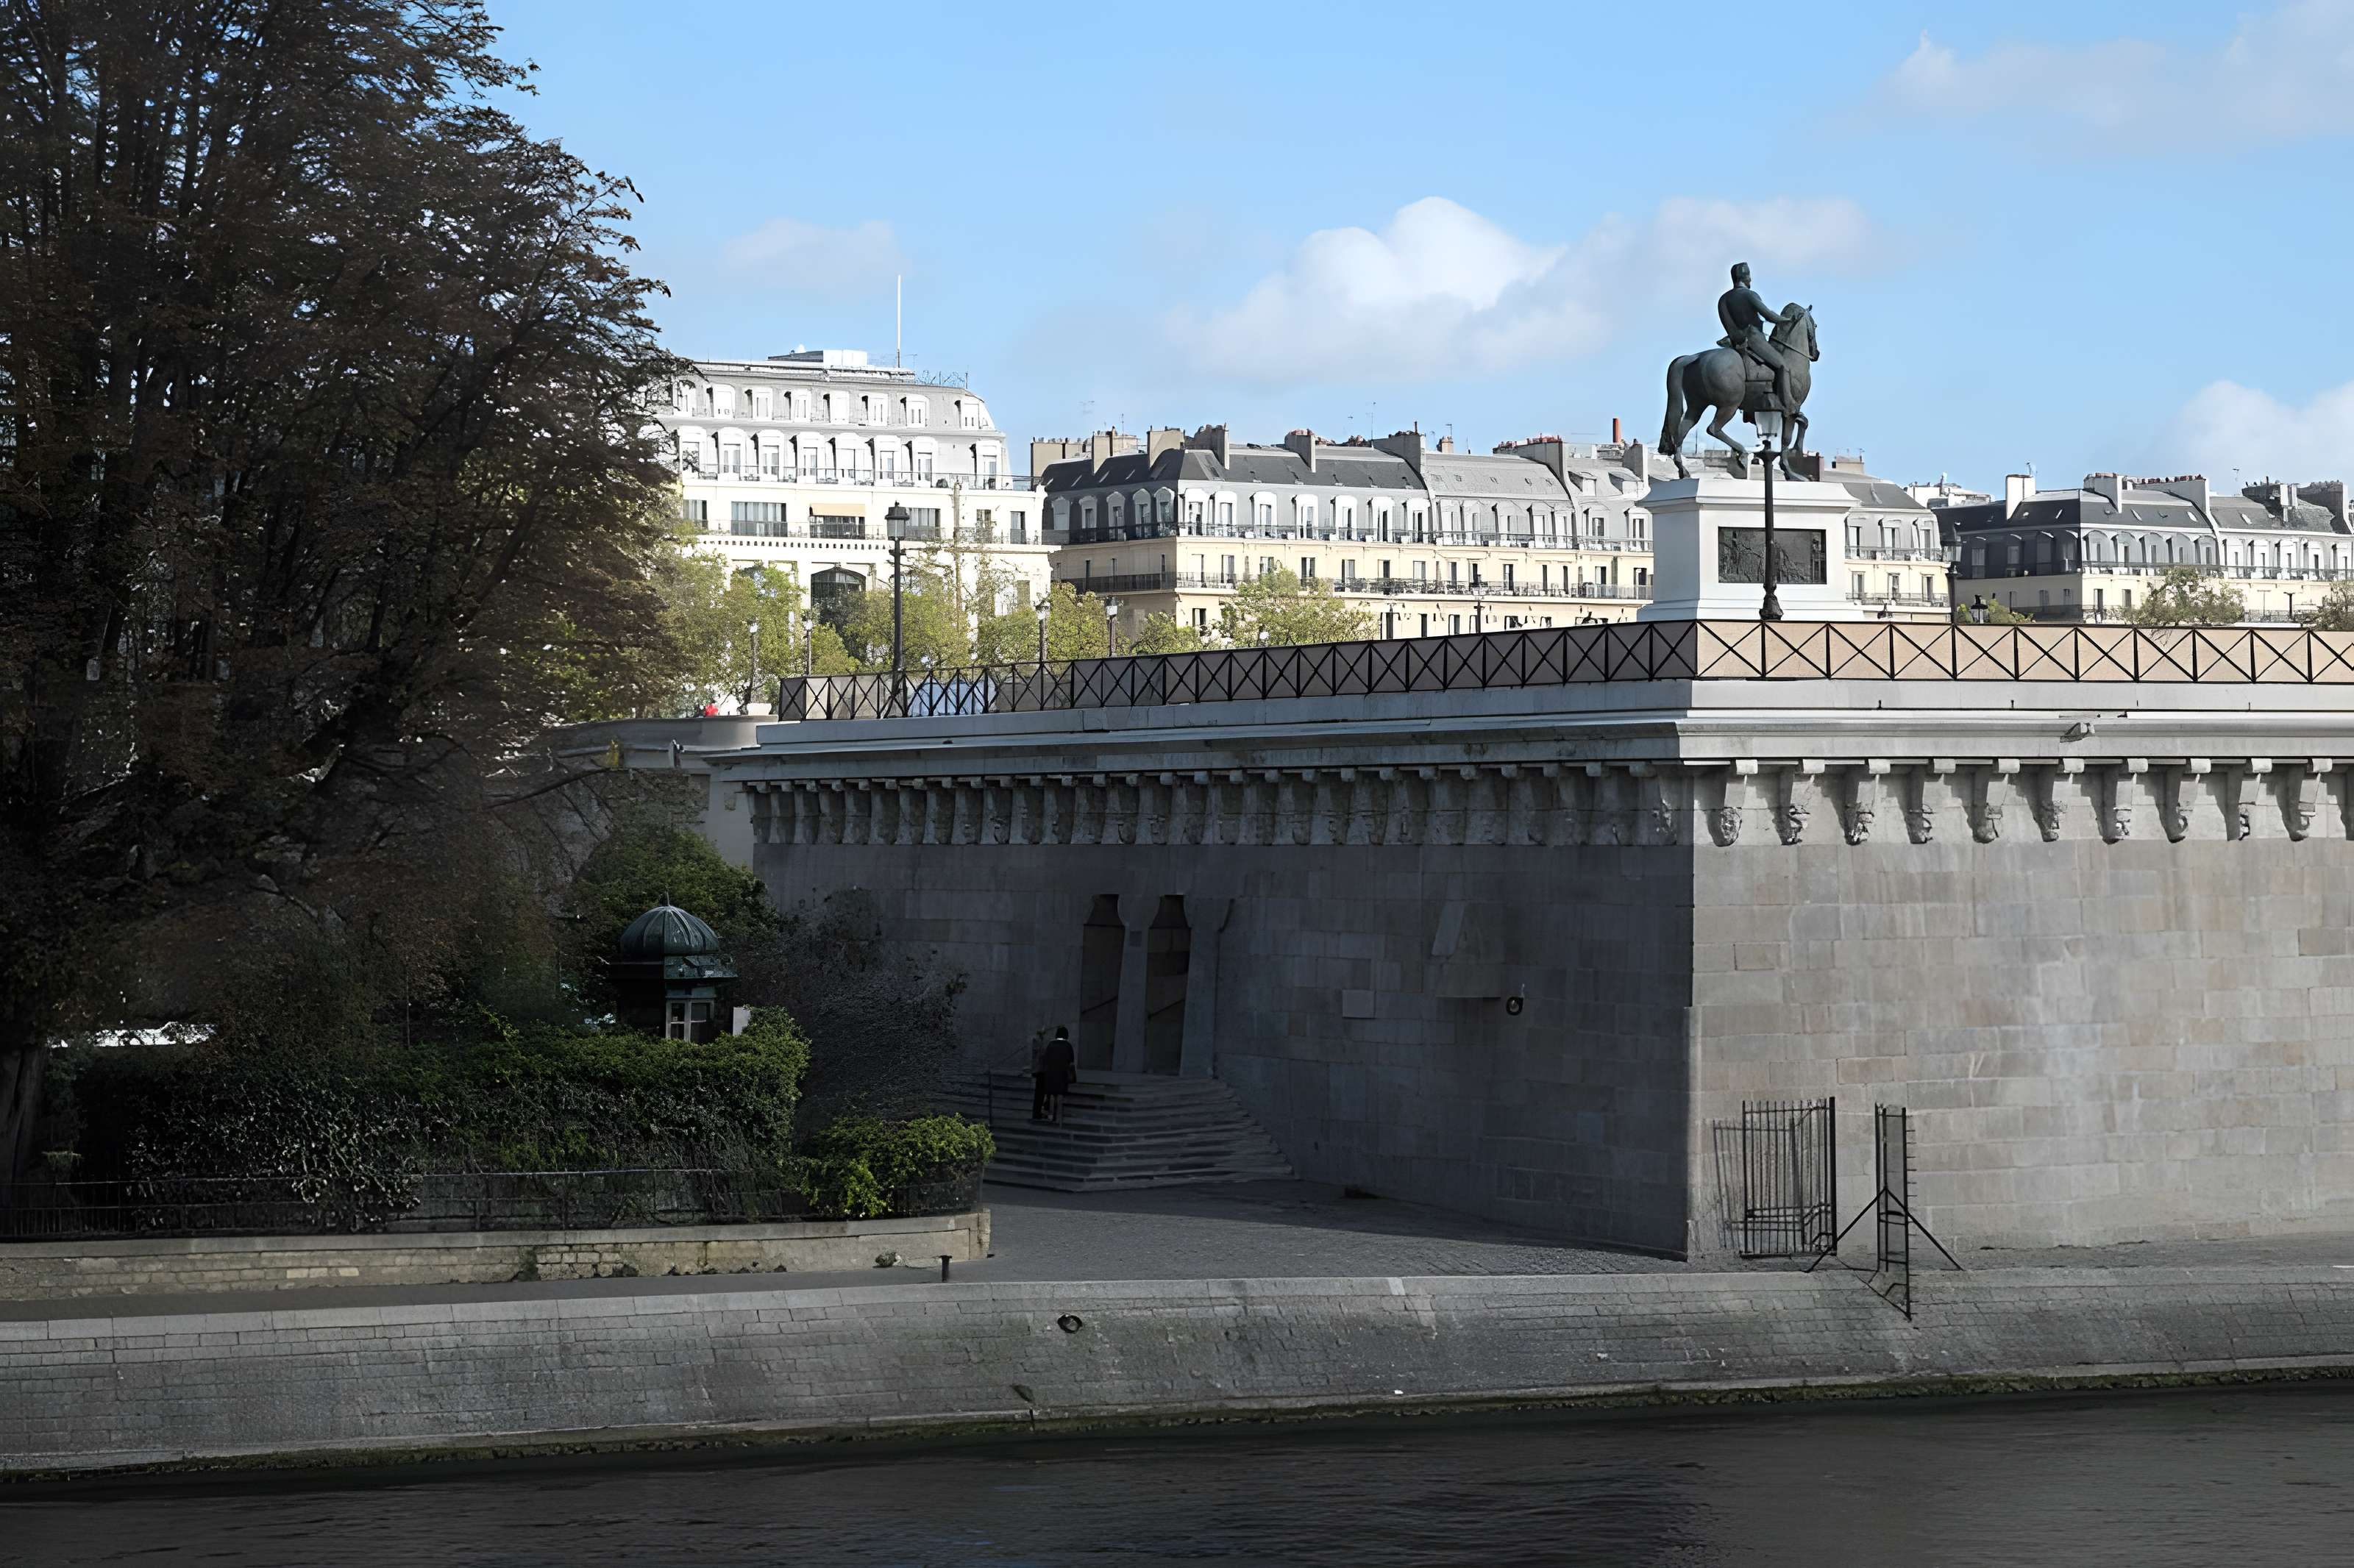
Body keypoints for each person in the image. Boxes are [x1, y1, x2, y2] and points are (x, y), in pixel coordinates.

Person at [1715, 261, 1796, 415]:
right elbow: (1768, 315)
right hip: (1754, 340)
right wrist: (1785, 320)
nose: (1750, 280)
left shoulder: (1723, 299)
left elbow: (1728, 323)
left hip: (1733, 342)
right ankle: (1788, 405)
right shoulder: (1749, 295)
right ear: (1745, 278)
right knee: (1783, 366)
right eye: (1749, 277)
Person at [1036, 1025, 1077, 1126]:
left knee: (1051, 1095)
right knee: (1060, 1095)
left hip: (1051, 1074)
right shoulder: (1068, 1046)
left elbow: (1046, 1059)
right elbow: (1071, 1063)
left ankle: (1051, 1115)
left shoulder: (1051, 1044)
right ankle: (1059, 1116)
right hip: (1062, 1074)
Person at [1026, 1027, 1050, 1122]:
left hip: (1041, 1071)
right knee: (1039, 1094)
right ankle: (1037, 1114)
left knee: (1040, 1094)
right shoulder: (1037, 1042)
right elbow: (1041, 1054)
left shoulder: (1038, 1042)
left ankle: (1039, 1113)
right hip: (1040, 1071)